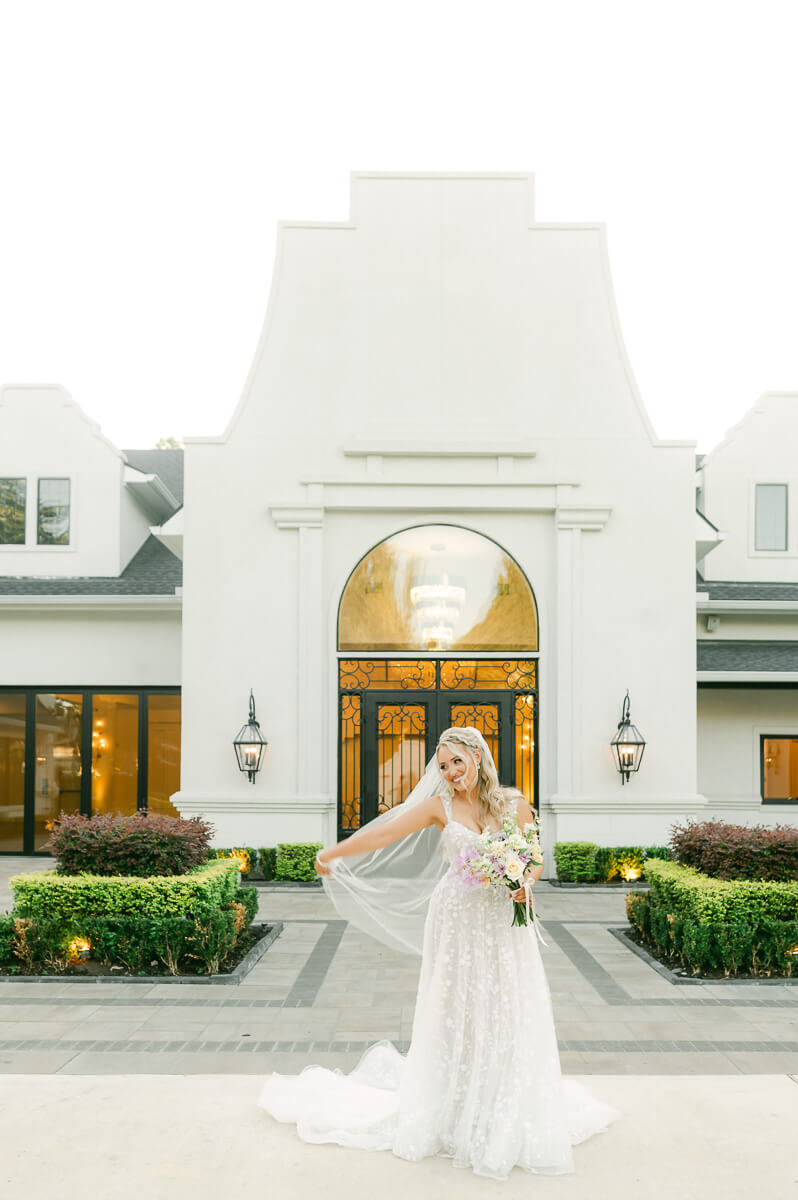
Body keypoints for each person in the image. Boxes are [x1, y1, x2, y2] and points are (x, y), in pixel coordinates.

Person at [258, 726, 619, 1179]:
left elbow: (533, 857)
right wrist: (334, 852)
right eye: (443, 765)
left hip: (504, 921)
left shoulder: (513, 803)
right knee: (458, 1004)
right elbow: (383, 834)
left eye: (456, 762)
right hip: (456, 918)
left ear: (477, 756)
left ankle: (500, 1101)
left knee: (505, 1004)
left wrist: (524, 883)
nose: (450, 772)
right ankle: (453, 1102)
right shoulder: (437, 806)